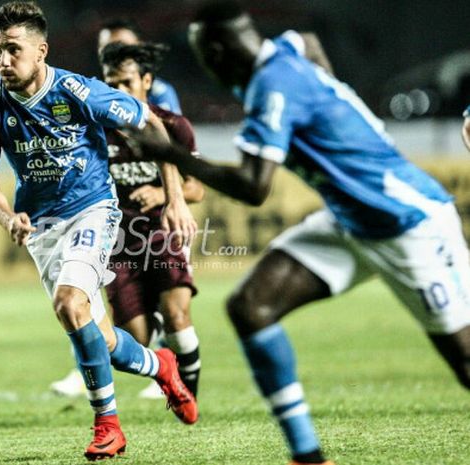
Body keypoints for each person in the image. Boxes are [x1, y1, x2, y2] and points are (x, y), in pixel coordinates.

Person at [130, 2, 470, 464]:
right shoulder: (283, 52)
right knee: (251, 307)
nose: (206, 67)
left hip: (408, 224)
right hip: (350, 219)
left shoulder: (272, 86)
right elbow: (306, 39)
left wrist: (173, 153)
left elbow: (253, 188)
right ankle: (308, 458)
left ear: (215, 49)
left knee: (464, 362)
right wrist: (333, 92)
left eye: (202, 55)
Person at [0, 2, 198, 460]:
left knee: (68, 303)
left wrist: (174, 196)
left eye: (13, 49)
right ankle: (161, 363)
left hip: (93, 211)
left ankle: (108, 427)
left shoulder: (78, 90)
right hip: (42, 228)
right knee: (102, 337)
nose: (3, 61)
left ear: (42, 51)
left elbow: (152, 123)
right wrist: (6, 216)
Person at [51, 42, 205, 401]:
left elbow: (195, 187)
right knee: (135, 336)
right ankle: (167, 366)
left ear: (147, 80)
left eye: (126, 83)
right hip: (113, 244)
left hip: (161, 235)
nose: (119, 92)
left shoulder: (173, 125)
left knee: (177, 315)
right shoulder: (93, 129)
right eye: (111, 83)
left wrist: (162, 194)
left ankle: (189, 396)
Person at [98, 18, 183, 115]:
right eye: (106, 47)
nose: (115, 52)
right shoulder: (90, 90)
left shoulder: (160, 92)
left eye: (123, 46)